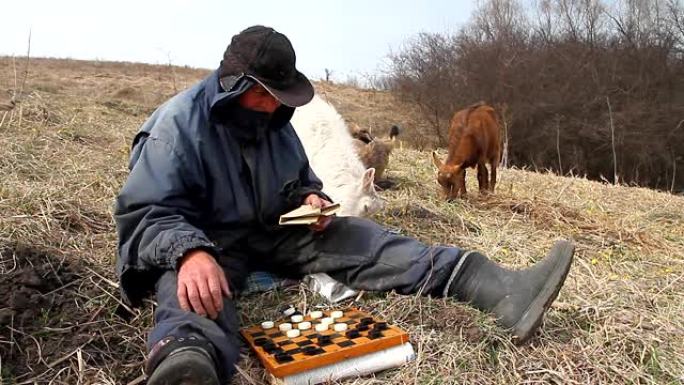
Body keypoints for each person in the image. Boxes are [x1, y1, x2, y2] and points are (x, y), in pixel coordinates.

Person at [114, 25, 574, 385]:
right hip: (206, 242)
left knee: (364, 236)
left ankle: (492, 286)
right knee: (191, 287)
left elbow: (298, 181)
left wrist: (310, 199)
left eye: (279, 97)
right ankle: (187, 358)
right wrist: (189, 252)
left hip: (276, 231)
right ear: (235, 83)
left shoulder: (275, 120)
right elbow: (147, 212)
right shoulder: (176, 127)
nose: (274, 106)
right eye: (265, 95)